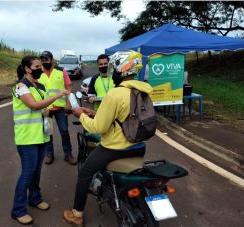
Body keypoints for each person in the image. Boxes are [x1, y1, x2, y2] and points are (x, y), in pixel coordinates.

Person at [63, 50, 153, 226]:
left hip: (114, 148)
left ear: (122, 69)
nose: (112, 72)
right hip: (137, 145)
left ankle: (76, 214)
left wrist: (81, 115)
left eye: (114, 68)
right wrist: (95, 112)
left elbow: (98, 127)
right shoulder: (143, 91)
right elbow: (126, 117)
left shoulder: (115, 93)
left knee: (85, 173)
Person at [11, 55, 69, 225]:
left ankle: (35, 199)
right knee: (27, 173)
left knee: (36, 171)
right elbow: (34, 105)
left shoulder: (40, 86)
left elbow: (42, 107)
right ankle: (18, 210)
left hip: (42, 135)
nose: (40, 68)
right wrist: (57, 95)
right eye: (36, 66)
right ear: (27, 69)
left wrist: (46, 110)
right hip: (27, 137)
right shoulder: (20, 86)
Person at [38, 51, 76, 165]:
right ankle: (49, 154)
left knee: (64, 131)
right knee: (47, 132)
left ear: (52, 60)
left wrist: (68, 103)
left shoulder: (61, 71)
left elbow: (68, 87)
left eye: (47, 59)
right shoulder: (39, 72)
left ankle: (68, 154)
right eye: (43, 60)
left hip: (60, 107)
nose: (45, 62)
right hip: (46, 108)